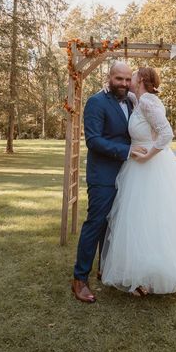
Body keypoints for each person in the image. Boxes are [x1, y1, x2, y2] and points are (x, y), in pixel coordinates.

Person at [101, 67, 176, 296]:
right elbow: (123, 93)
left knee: (152, 220)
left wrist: (148, 155)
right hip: (137, 169)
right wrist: (105, 87)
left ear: (140, 80)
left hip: (151, 167)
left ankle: (152, 278)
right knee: (138, 220)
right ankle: (140, 274)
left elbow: (166, 134)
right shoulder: (138, 99)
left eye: (132, 77)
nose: (128, 81)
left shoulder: (149, 102)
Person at [71, 61, 147, 303]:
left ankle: (106, 268)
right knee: (95, 223)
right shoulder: (96, 102)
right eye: (119, 79)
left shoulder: (131, 101)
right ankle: (80, 278)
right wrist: (128, 149)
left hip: (128, 174)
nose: (124, 84)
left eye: (127, 80)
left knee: (115, 225)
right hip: (103, 175)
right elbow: (93, 140)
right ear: (109, 77)